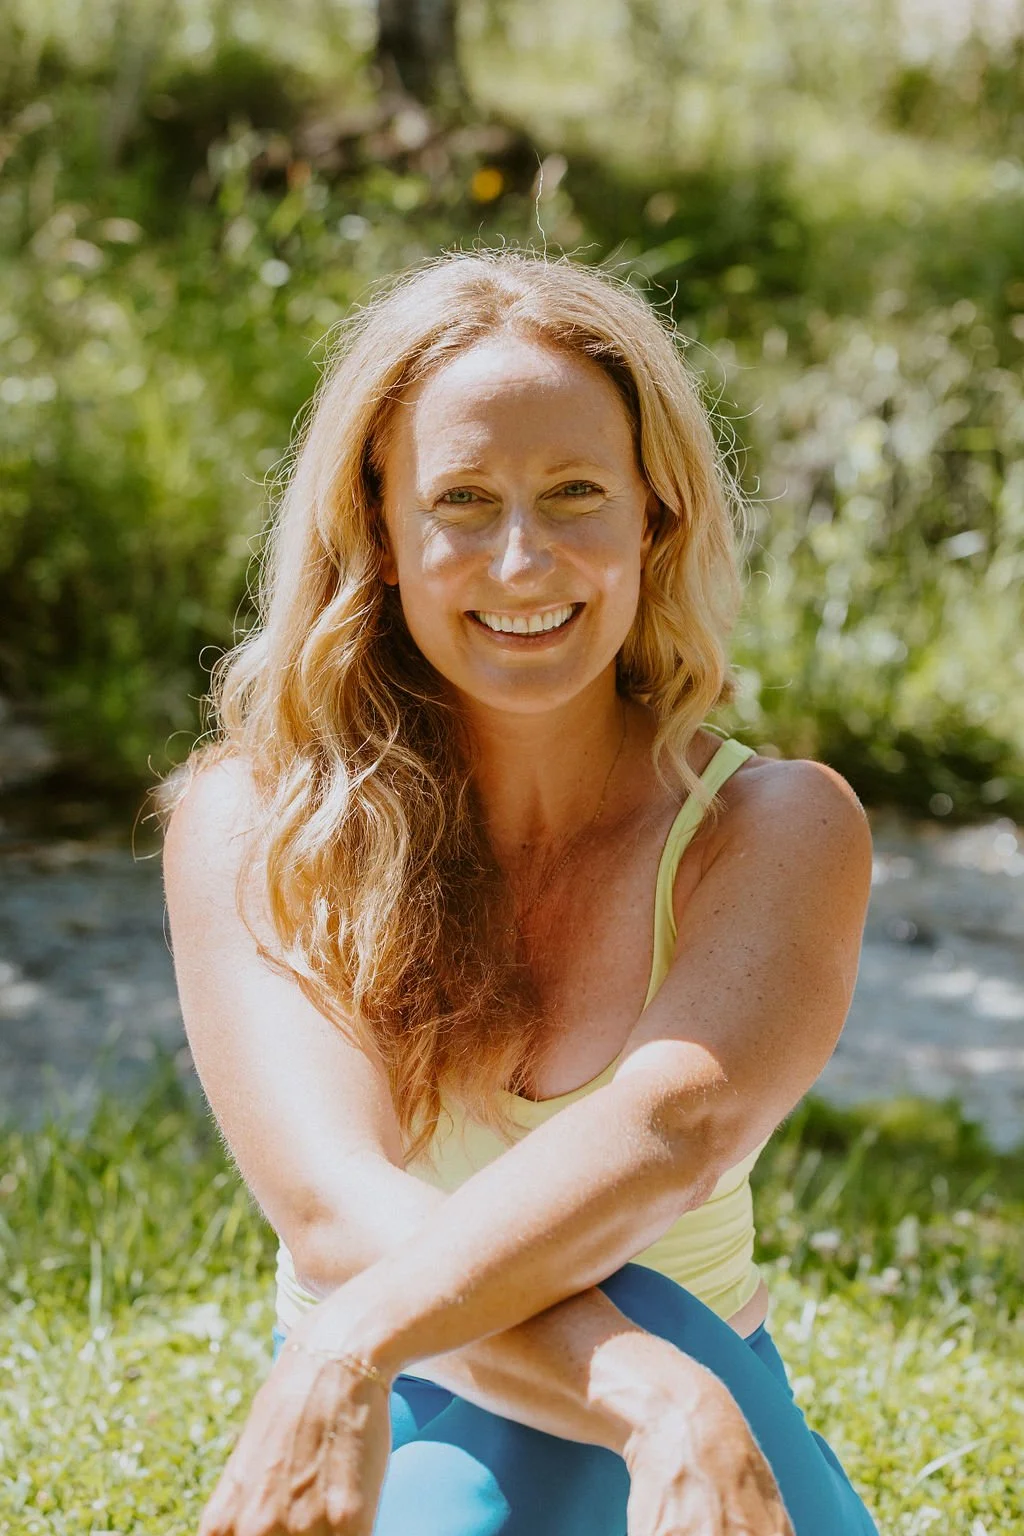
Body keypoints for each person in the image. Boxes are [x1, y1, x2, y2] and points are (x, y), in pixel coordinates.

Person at [157, 249, 879, 1535]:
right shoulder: (256, 823)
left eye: (574, 494)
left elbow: (670, 1135)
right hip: (422, 1408)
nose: (523, 559)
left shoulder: (775, 828)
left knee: (641, 1319)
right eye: (463, 500)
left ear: (654, 516)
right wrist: (653, 1397)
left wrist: (343, 1344)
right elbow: (333, 1209)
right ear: (378, 532)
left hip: (685, 1432)